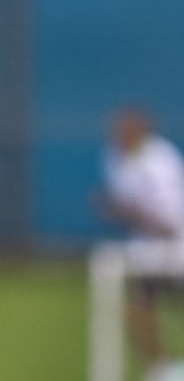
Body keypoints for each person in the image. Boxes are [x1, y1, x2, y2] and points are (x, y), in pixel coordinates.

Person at [98, 107, 184, 379]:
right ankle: (162, 369)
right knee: (139, 307)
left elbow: (168, 214)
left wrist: (130, 212)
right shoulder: (114, 157)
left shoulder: (161, 158)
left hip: (175, 243)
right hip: (146, 246)